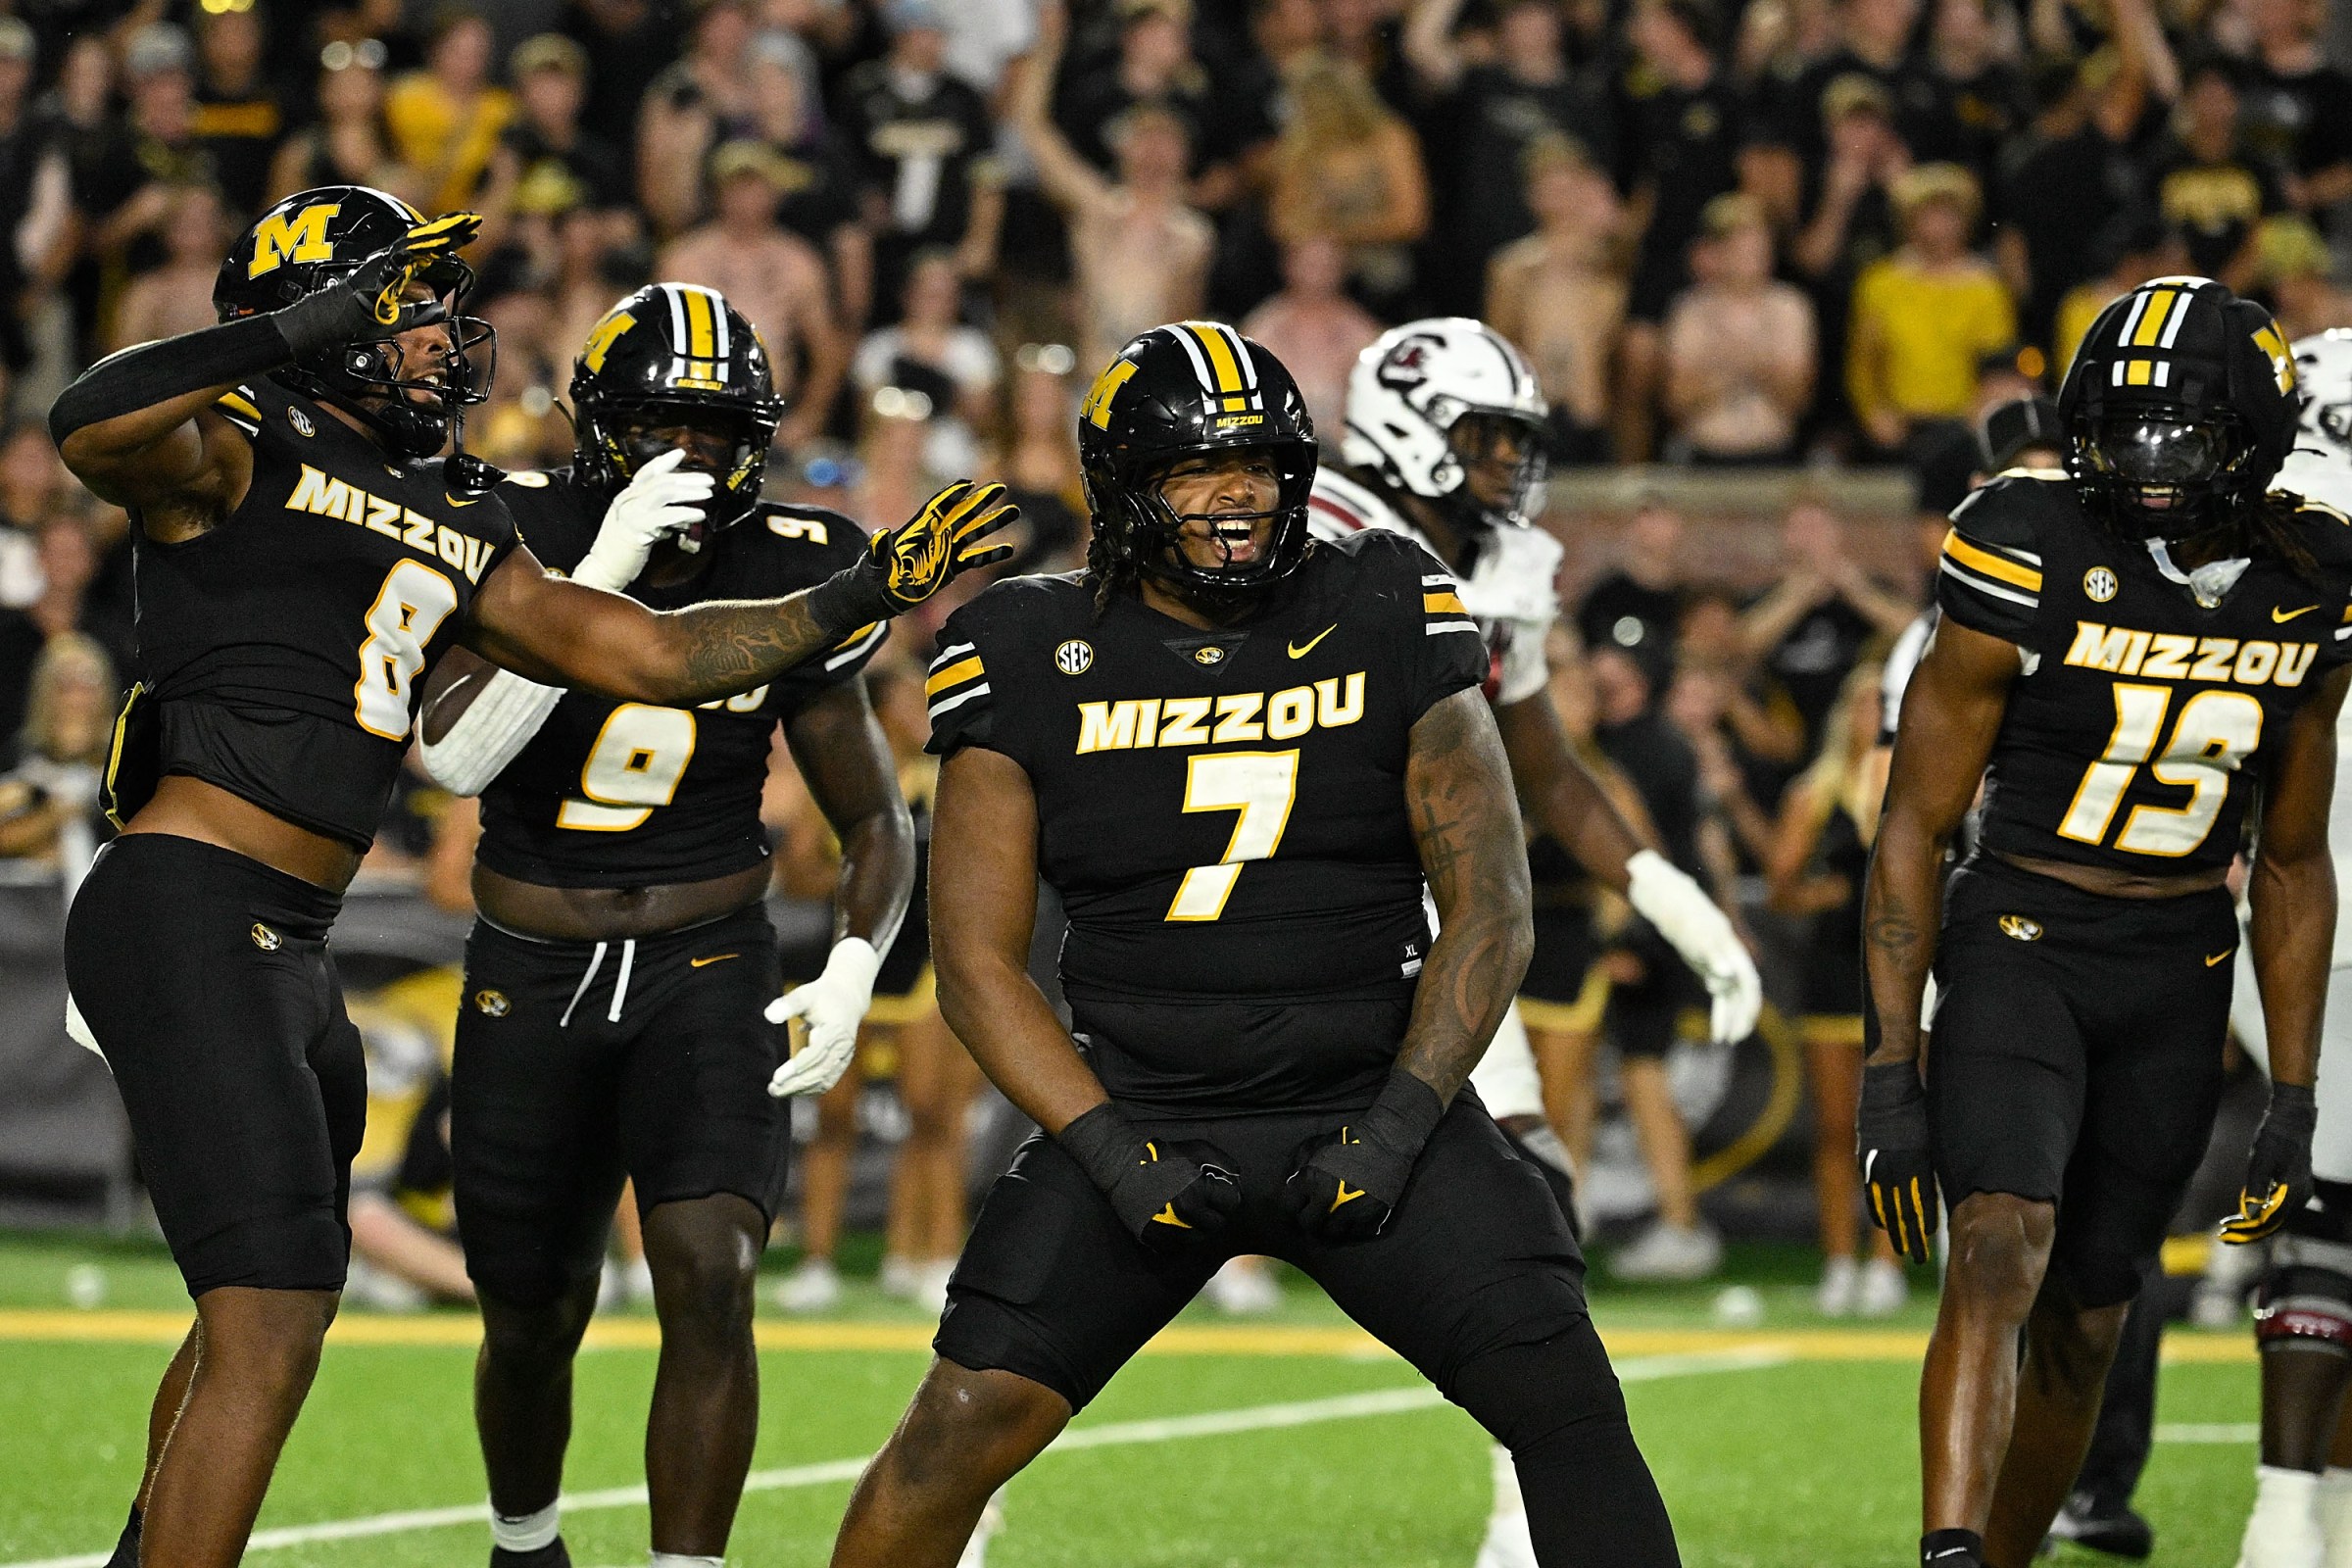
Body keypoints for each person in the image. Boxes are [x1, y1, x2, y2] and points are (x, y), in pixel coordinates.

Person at [46, 184, 1014, 1568]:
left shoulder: (448, 498)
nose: (449, 337)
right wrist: (292, 329)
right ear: (327, 319)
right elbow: (85, 419)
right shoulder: (238, 443)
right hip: (194, 897)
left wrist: (867, 592)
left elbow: (658, 656)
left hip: (286, 936)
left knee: (257, 1307)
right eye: (411, 309)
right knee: (277, 1301)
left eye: (443, 311)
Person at [824, 319, 1682, 1568]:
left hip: (1369, 1098)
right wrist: (1115, 1154)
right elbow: (977, 965)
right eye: (1196, 470)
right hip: (1146, 1107)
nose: (1238, 497)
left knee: (1566, 1398)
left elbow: (1492, 901)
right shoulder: (1025, 643)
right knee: (957, 1426)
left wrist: (1397, 1124)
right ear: (1124, 487)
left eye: (1263, 466)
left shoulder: (1387, 596)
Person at [414, 280, 913, 1568]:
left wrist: (857, 958)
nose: (696, 458)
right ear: (600, 429)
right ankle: (525, 1546)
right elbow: (456, 757)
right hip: (532, 961)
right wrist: (598, 577)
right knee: (528, 1313)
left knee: (710, 1270)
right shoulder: (511, 524)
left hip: (707, 957)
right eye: (665, 427)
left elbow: (872, 817)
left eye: (720, 431)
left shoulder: (795, 559)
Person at [1861, 277, 2347, 1568]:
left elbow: (2293, 859)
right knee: (2000, 1238)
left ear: (2250, 432)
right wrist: (1889, 1067)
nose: (2142, 456)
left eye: (2178, 429)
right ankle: (1950, 1553)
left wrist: (2293, 1096)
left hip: (2181, 962)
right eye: (2121, 423)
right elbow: (1912, 823)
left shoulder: (2311, 584)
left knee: (2089, 1313)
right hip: (2022, 933)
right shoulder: (2023, 537)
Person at [1304, 317, 1759, 1568]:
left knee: (1531, 1200)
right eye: (1484, 434)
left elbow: (1544, 764)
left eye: (1516, 437)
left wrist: (1667, 888)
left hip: (1435, 926)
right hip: (1281, 931)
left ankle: (1525, 1512)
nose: (1509, 461)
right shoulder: (1313, 536)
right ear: (1404, 424)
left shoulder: (1498, 564)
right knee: (1120, 1243)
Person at [2237, 327, 2352, 1568]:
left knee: (2320, 1214)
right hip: (2315, 895)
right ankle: (2291, 1516)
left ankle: (2298, 1515)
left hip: (2263, 902)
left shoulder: (2253, 528)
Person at [1766, 660, 1906, 1316]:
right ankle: (1838, 1261)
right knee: (1832, 1128)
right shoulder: (1813, 795)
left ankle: (1887, 1262)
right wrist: (1826, 891)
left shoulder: (1916, 787)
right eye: (1864, 705)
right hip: (1829, 974)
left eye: (1884, 706)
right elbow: (1780, 888)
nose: (1873, 718)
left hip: (1897, 975)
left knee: (1895, 1124)